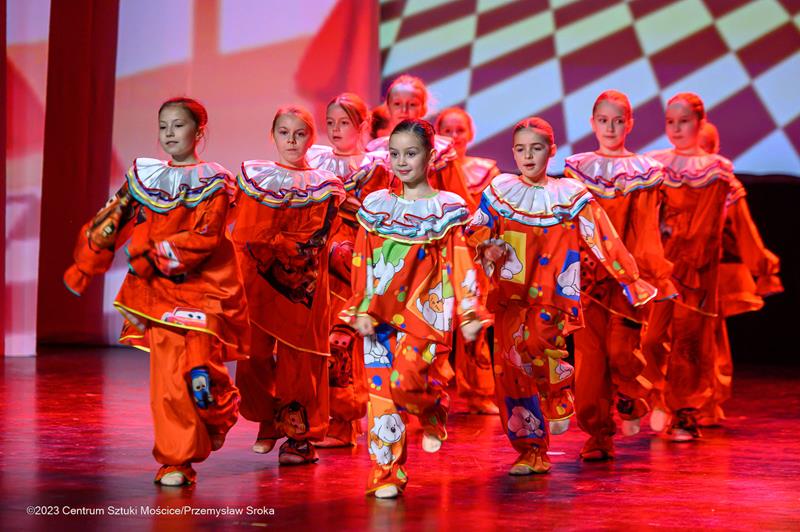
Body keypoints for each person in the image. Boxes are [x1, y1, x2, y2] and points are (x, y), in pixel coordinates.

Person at [63, 97, 249, 486]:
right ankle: (176, 459)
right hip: (159, 293)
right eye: (163, 125)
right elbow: (111, 220)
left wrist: (156, 254)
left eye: (178, 125)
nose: (168, 133)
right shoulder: (145, 176)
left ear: (199, 131)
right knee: (167, 380)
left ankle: (221, 409)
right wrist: (86, 264)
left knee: (201, 374)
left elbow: (207, 235)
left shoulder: (214, 181)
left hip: (203, 288)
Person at [465, 117, 657, 475]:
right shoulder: (500, 190)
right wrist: (484, 247)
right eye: (520, 149)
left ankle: (558, 396)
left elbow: (603, 237)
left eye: (536, 148)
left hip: (551, 292)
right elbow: (475, 230)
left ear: (551, 151)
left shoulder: (568, 195)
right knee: (511, 371)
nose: (527, 156)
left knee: (540, 342)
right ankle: (531, 449)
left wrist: (631, 279)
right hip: (511, 294)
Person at [342, 119, 490, 499]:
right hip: (377, 314)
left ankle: (432, 405)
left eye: (411, 153)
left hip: (424, 315)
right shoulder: (376, 206)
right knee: (381, 398)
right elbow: (363, 259)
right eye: (395, 154)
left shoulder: (447, 208)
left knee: (406, 381)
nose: (402, 162)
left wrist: (470, 312)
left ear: (430, 156)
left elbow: (461, 261)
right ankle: (386, 473)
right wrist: (359, 306)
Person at [643, 92, 762, 441]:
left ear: (700, 122)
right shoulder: (654, 163)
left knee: (690, 341)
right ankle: (658, 397)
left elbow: (714, 225)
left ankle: (685, 412)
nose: (677, 129)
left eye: (684, 122)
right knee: (649, 338)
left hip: (696, 265)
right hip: (659, 262)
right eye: (670, 122)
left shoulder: (715, 168)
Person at [564, 90, 675, 460]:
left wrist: (649, 277)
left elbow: (645, 230)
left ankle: (634, 392)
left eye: (618, 120)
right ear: (592, 123)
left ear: (629, 123)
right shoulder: (576, 168)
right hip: (588, 276)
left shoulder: (644, 171)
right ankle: (597, 433)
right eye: (603, 120)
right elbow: (571, 225)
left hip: (627, 277)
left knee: (621, 350)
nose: (610, 127)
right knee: (590, 358)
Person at [230, 106, 345, 464]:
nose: (291, 141)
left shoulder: (324, 186)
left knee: (300, 362)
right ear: (273, 135)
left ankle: (299, 438)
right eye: (284, 132)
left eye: (299, 134)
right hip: (257, 280)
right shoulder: (253, 177)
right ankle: (268, 421)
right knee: (256, 356)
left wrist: (275, 242)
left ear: (311, 139)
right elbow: (240, 229)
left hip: (301, 284)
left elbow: (315, 237)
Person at [305, 93, 383, 447]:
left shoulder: (373, 167)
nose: (336, 130)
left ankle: (344, 421)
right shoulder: (315, 161)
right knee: (317, 341)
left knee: (342, 339)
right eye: (331, 122)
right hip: (316, 260)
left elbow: (379, 216)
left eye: (345, 123)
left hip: (351, 260)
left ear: (362, 126)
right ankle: (317, 418)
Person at [695, 121, 783, 426]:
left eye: (705, 148)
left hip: (713, 270)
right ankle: (673, 401)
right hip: (676, 270)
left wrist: (763, 266)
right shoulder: (669, 176)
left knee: (710, 335)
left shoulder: (725, 184)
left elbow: (745, 231)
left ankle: (709, 401)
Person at [435, 106, 502, 414]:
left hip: (473, 253)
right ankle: (432, 390)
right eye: (447, 130)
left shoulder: (484, 170)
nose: (453, 137)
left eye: (459, 130)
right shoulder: (431, 168)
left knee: (473, 322)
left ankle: (479, 392)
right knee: (436, 322)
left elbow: (492, 215)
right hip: (439, 253)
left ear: (471, 134)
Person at [365, 74, 476, 210]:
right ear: (388, 107)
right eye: (397, 104)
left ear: (423, 108)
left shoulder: (441, 152)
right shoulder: (376, 153)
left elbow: (460, 198)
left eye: (412, 104)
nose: (404, 110)